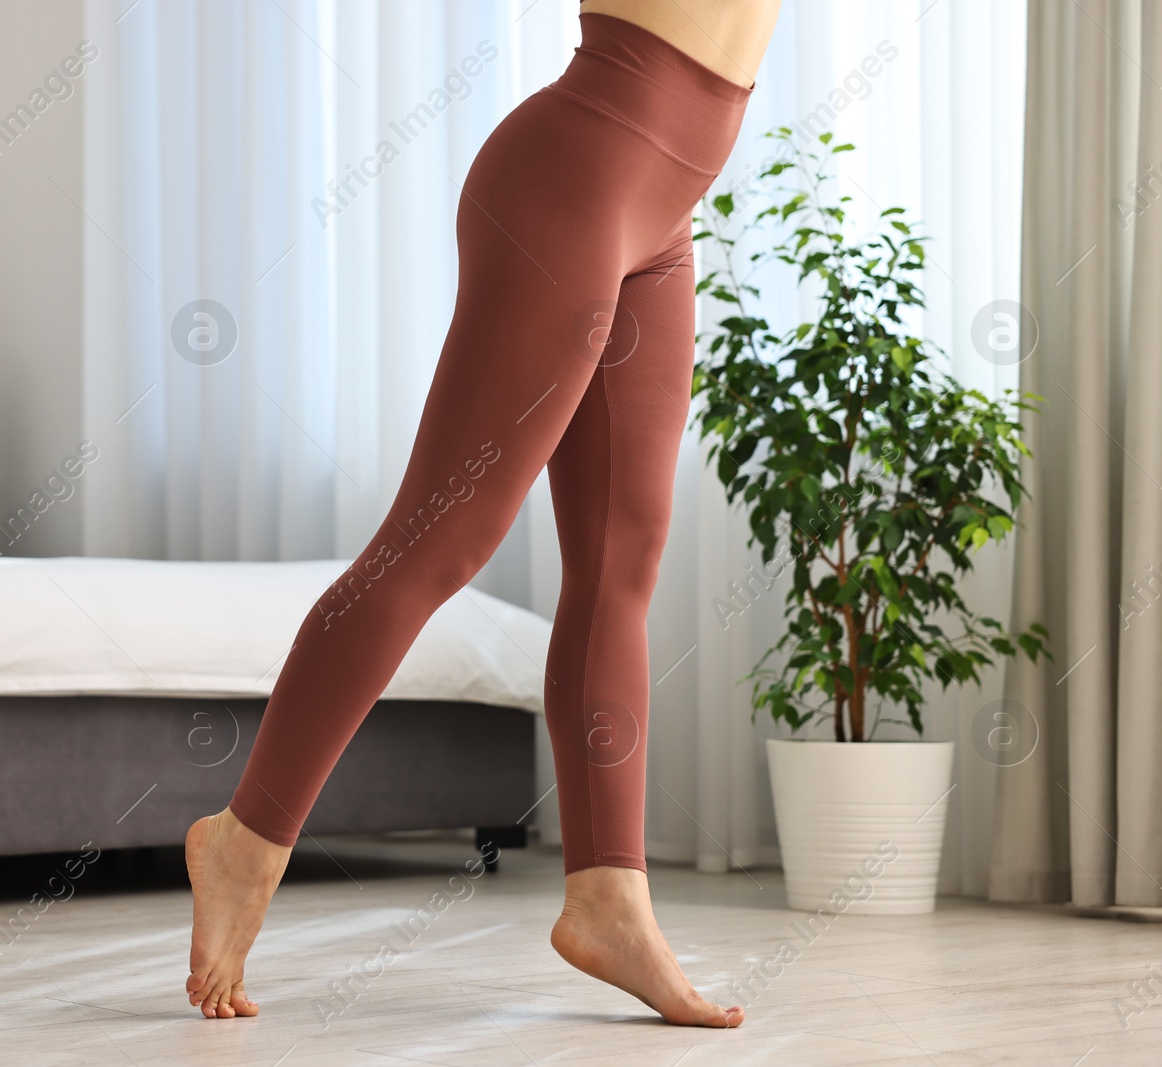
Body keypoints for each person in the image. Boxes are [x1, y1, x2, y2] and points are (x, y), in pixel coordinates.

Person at [185, 0, 781, 1026]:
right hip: (577, 177)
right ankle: (246, 837)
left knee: (619, 562)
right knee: (439, 538)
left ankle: (609, 896)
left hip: (663, 209)